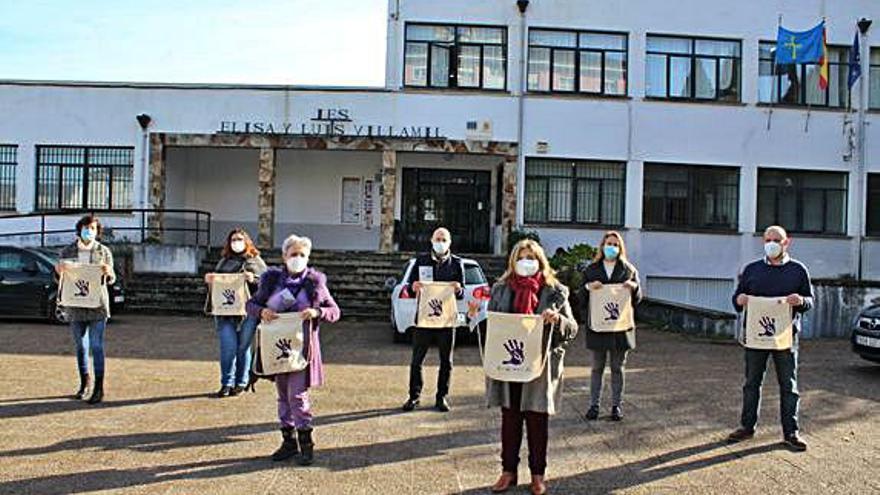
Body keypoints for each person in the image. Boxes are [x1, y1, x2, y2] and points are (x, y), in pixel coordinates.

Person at [469, 239, 578, 495]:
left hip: (539, 367)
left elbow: (572, 329)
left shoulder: (555, 291)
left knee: (537, 421)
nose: (526, 262)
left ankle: (538, 475)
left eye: (531, 257)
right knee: (510, 420)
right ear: (513, 261)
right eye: (521, 257)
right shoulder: (500, 289)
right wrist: (475, 315)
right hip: (508, 365)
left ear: (540, 261)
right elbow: (491, 327)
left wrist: (558, 319)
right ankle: (508, 472)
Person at [246, 234, 340, 465]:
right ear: (284, 256)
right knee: (282, 395)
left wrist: (317, 312)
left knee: (297, 395)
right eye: (293, 254)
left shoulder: (315, 283)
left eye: (302, 255)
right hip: (277, 347)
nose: (297, 258)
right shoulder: (272, 281)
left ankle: (306, 443)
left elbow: (334, 311)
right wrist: (261, 312)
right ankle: (288, 441)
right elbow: (251, 304)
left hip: (302, 349)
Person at [727, 225, 813, 452]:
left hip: (785, 338)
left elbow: (810, 301)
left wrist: (801, 301)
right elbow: (736, 299)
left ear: (787, 242)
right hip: (756, 338)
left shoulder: (798, 270)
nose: (771, 243)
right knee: (751, 384)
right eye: (767, 239)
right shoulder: (752, 270)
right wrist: (740, 300)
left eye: (776, 239)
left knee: (789, 386)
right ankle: (746, 427)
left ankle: (791, 432)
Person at [401, 227, 465, 413]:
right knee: (417, 360)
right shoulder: (420, 261)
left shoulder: (456, 264)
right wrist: (414, 286)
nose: (440, 242)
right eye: (437, 238)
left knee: (446, 361)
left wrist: (458, 289)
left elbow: (461, 294)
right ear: (431, 240)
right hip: (424, 319)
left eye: (444, 239)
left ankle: (441, 397)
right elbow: (410, 287)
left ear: (450, 242)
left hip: (446, 321)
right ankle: (414, 396)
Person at [579, 231, 642, 422]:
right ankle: (594, 405)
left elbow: (638, 300)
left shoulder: (629, 270)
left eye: (615, 244)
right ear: (602, 246)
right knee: (597, 367)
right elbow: (580, 298)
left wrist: (634, 288)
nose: (612, 247)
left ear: (620, 247)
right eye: (609, 243)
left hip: (620, 329)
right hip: (598, 327)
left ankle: (616, 406)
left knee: (617, 368)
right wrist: (588, 288)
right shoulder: (591, 270)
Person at [55, 214, 116, 404]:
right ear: (79, 229)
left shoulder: (103, 251)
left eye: (93, 228)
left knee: (97, 345)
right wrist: (59, 271)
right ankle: (85, 382)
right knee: (81, 346)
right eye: (86, 227)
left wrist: (108, 272)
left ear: (98, 232)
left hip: (97, 305)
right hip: (76, 305)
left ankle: (99, 387)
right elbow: (60, 280)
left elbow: (112, 278)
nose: (89, 231)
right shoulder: (67, 251)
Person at [205, 228, 267, 398]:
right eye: (233, 239)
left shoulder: (255, 261)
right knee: (228, 347)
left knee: (243, 347)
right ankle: (226, 383)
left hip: (248, 313)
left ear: (246, 241)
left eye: (239, 239)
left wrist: (253, 279)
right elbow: (217, 285)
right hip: (225, 312)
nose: (236, 242)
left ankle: (241, 382)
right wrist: (209, 280)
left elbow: (267, 283)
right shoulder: (224, 262)